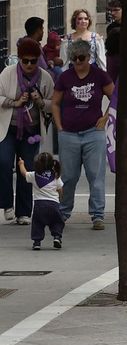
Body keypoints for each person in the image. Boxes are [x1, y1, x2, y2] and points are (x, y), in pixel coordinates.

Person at [51, 39, 115, 229]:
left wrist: (105, 118)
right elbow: (55, 102)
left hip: (93, 132)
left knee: (96, 176)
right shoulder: (65, 77)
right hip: (68, 133)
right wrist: (59, 126)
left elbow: (115, 98)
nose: (78, 62)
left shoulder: (100, 75)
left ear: (89, 57)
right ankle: (63, 211)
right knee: (68, 176)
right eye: (74, 59)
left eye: (81, 58)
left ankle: (97, 215)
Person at [1, 38, 48, 225]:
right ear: (19, 59)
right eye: (25, 60)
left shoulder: (45, 77)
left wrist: (41, 101)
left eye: (33, 61)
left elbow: (54, 103)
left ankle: (24, 212)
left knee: (27, 169)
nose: (29, 64)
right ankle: (6, 204)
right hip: (8, 128)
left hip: (31, 131)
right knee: (3, 162)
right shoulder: (8, 73)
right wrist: (14, 102)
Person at [17, 152, 63, 250]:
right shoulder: (55, 176)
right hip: (53, 204)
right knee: (56, 222)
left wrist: (21, 164)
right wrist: (60, 198)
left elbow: (24, 173)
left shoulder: (34, 175)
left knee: (38, 223)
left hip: (39, 205)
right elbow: (60, 189)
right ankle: (57, 237)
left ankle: (37, 242)